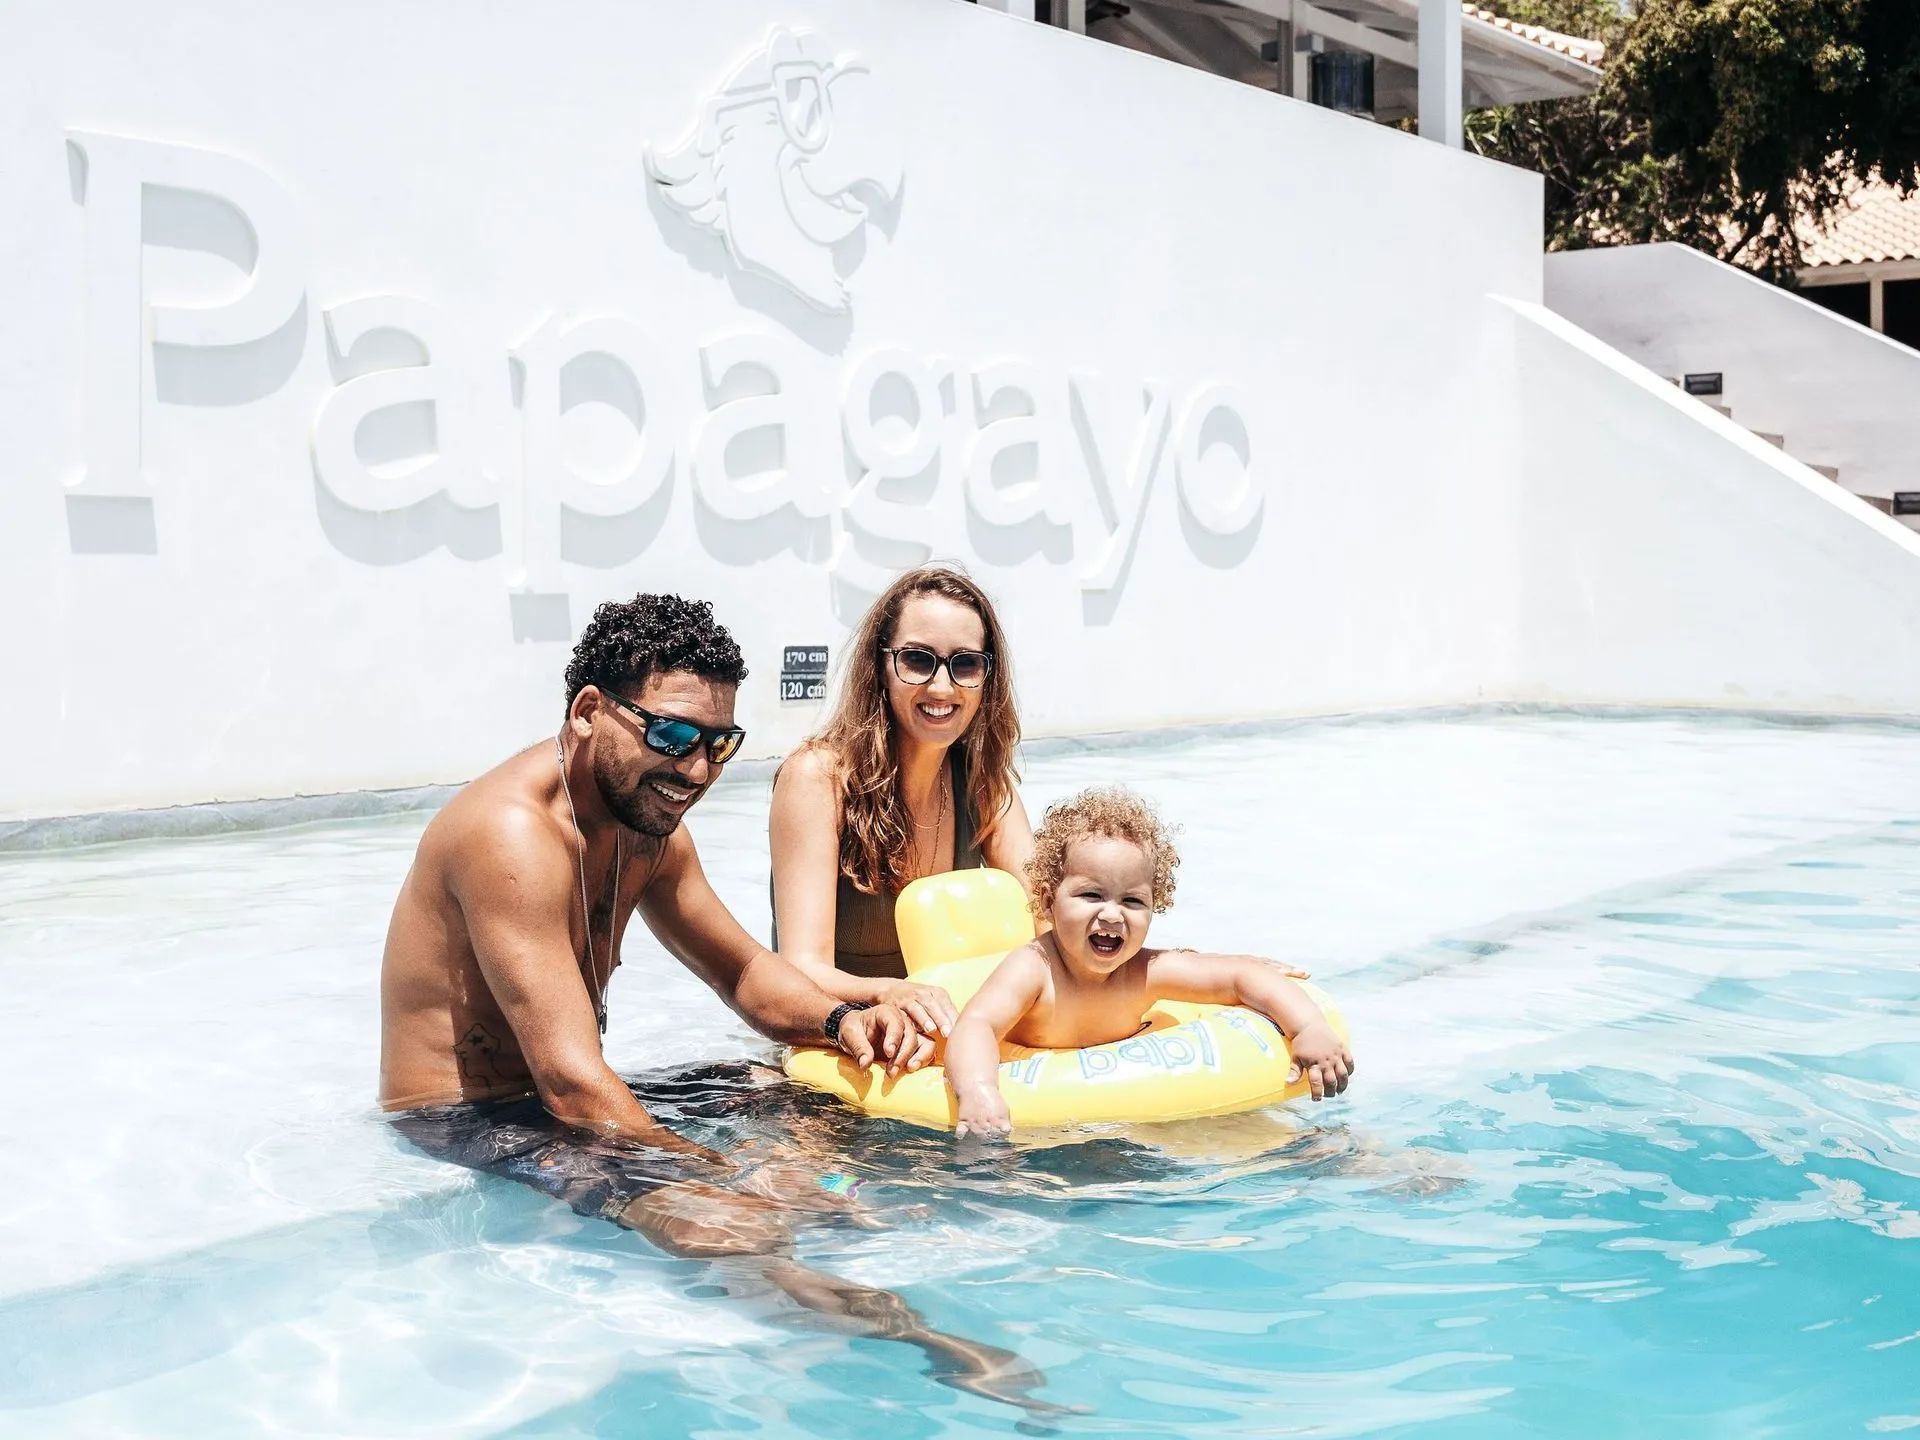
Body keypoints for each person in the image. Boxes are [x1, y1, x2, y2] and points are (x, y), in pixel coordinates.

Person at [379, 593, 1048, 1407]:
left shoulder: (645, 826)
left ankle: (850, 1208)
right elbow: (571, 1086)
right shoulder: (512, 834)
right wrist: (719, 1174)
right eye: (669, 735)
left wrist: (845, 1021)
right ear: (590, 712)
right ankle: (916, 1347)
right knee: (725, 1226)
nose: (694, 770)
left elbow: (744, 976)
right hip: (471, 1114)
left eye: (716, 745)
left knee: (792, 1092)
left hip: (563, 1092)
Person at [944, 786, 1355, 1139]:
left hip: (1132, 1114)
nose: (1111, 914)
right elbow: (977, 1024)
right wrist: (979, 1089)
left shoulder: (1143, 971)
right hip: (1041, 1117)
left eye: (1133, 901)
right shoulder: (1033, 970)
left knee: (1286, 1139)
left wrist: (1307, 1027)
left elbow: (1240, 977)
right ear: (1049, 901)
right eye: (1091, 895)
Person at [769, 565, 1036, 1052]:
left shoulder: (983, 784)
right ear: (881, 666)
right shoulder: (818, 779)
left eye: (966, 664)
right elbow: (798, 970)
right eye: (917, 660)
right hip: (833, 1056)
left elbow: (1050, 923)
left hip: (937, 1049)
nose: (941, 687)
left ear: (987, 677)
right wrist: (889, 992)